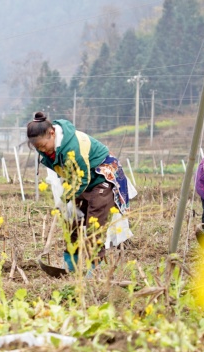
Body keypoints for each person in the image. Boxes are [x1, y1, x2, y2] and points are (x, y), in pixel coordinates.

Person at [27, 111, 134, 272]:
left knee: (94, 224)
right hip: (81, 179)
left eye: (43, 145)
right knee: (73, 219)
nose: (42, 150)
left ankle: (94, 268)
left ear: (52, 133)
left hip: (101, 177)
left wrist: (65, 197)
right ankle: (70, 263)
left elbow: (82, 179)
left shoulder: (73, 147)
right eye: (37, 147)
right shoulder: (46, 148)